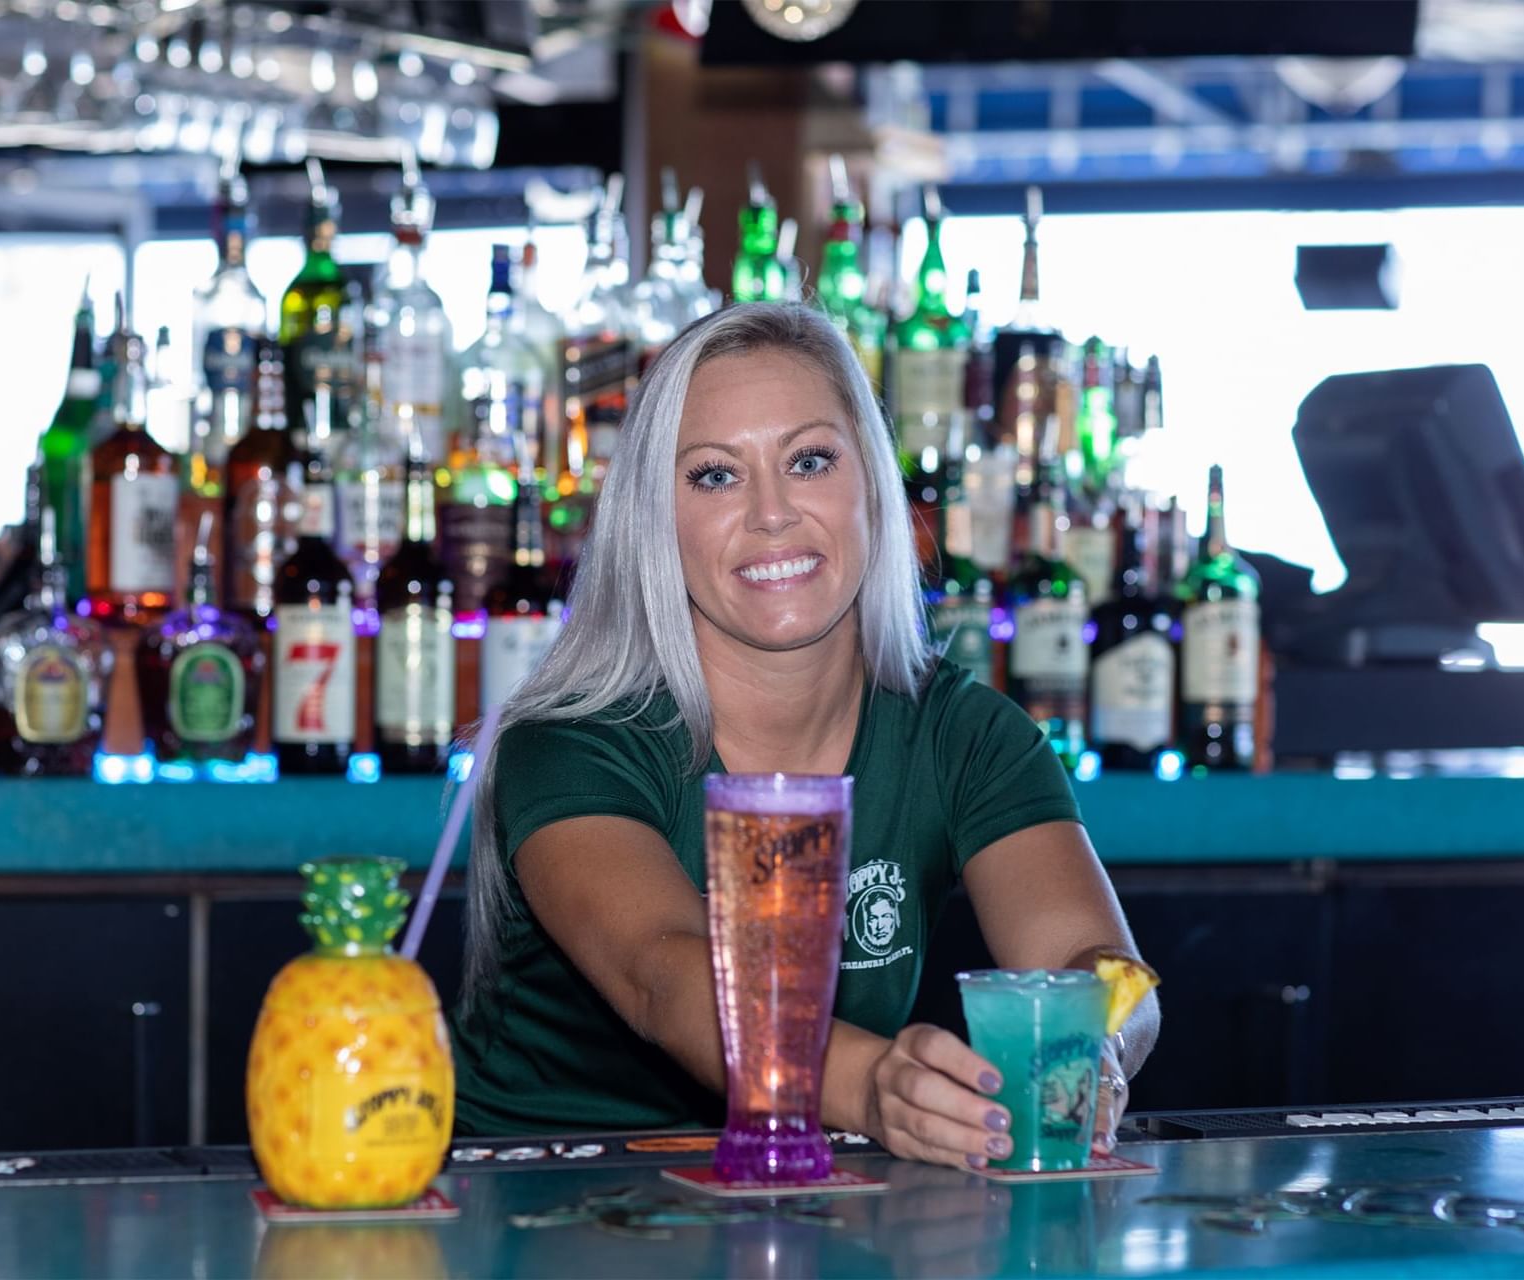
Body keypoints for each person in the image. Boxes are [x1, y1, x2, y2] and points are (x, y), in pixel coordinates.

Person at [450, 303, 1159, 1170]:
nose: (773, 512)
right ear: (652, 520)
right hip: (556, 1210)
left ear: (872, 486)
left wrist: (1093, 1051)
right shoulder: (573, 742)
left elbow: (1098, 968)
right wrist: (870, 1088)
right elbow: (662, 974)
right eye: (714, 475)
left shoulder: (961, 733)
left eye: (810, 460)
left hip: (814, 1206)